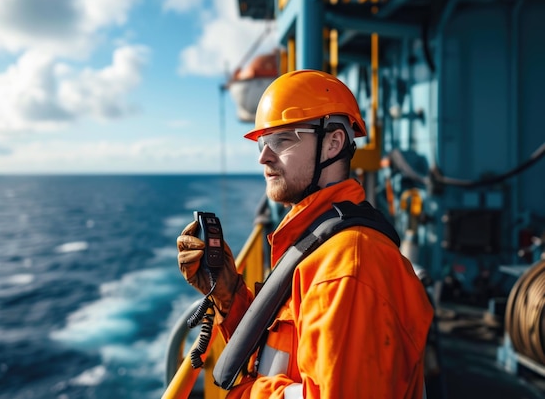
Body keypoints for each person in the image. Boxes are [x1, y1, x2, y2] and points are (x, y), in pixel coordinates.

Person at [177, 69, 434, 399]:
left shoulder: (347, 266)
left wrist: (246, 394)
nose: (263, 157)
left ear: (333, 142)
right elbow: (286, 355)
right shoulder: (319, 242)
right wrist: (229, 295)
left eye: (281, 140)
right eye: (262, 143)